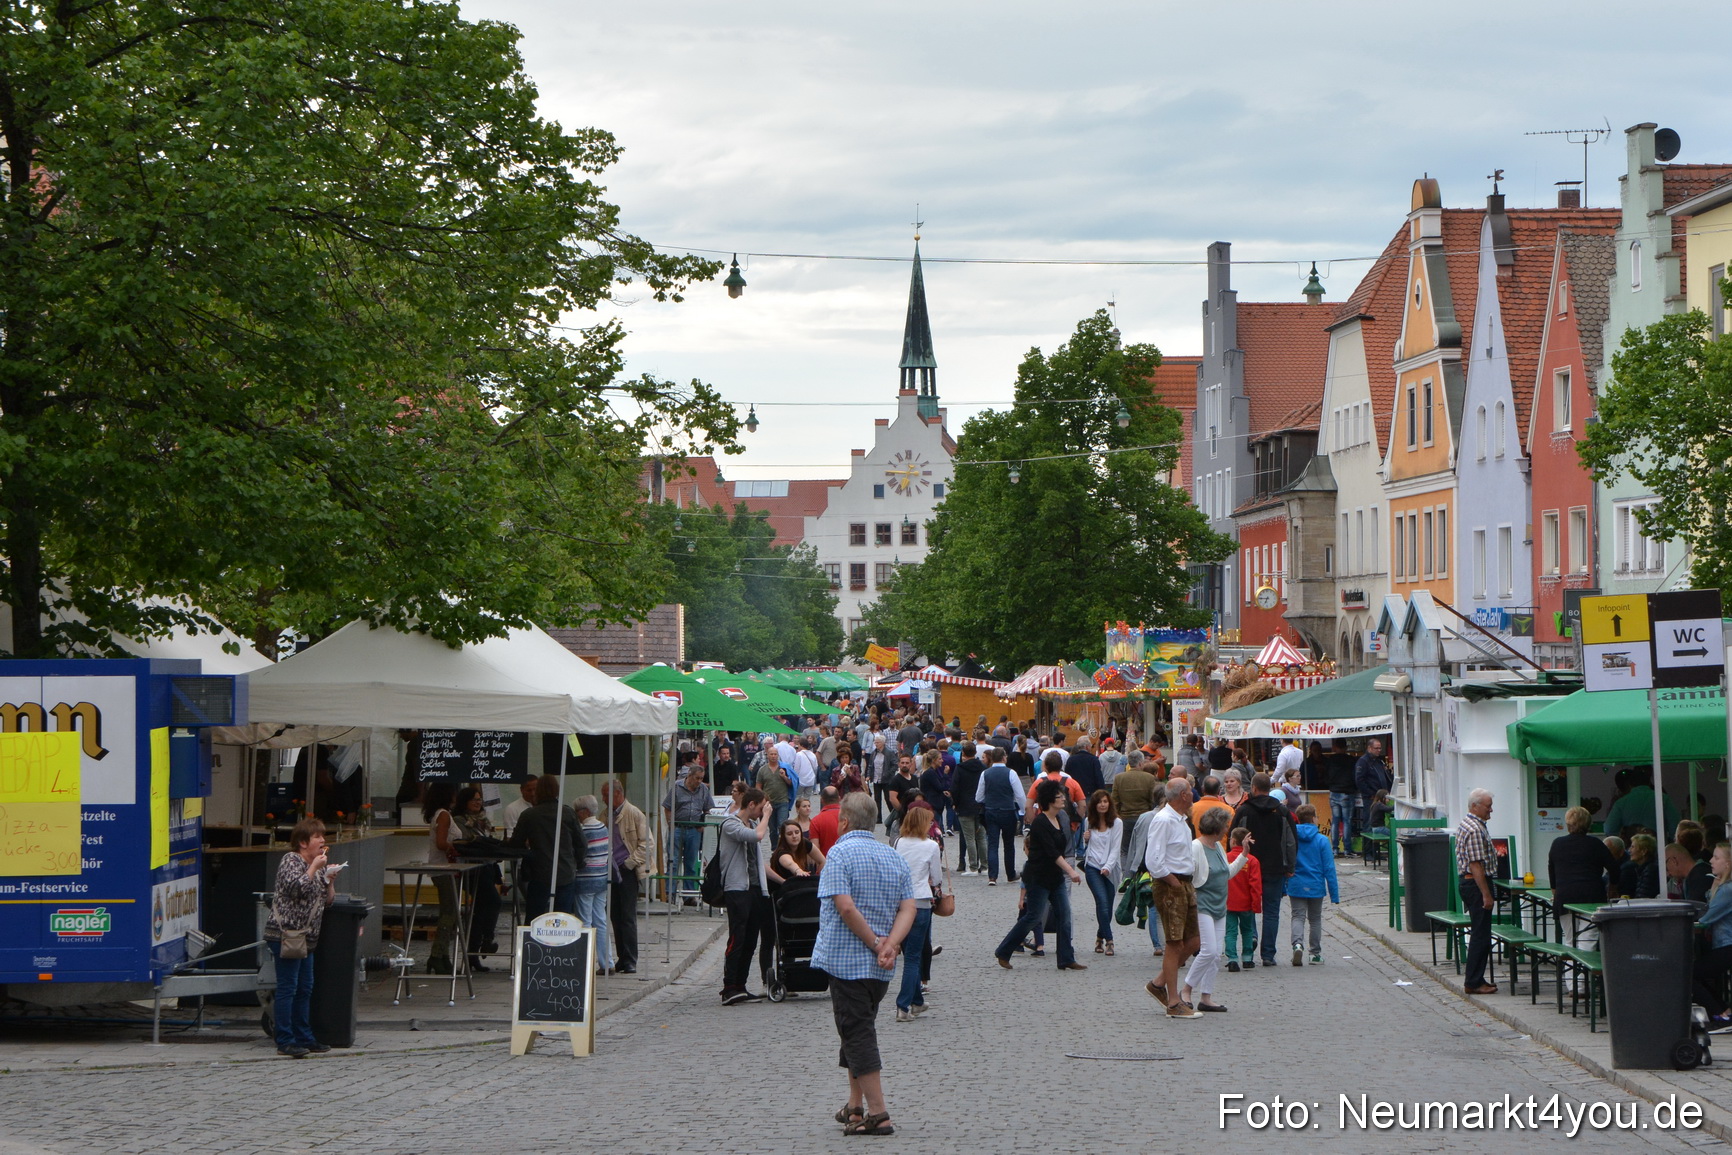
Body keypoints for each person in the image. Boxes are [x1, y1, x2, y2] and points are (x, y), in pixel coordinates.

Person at [813, 792, 916, 1137]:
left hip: (847, 961)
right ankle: (855, 1106)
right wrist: (891, 944)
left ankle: (878, 1114)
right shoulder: (893, 856)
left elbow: (845, 908)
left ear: (843, 821)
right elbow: (909, 908)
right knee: (854, 1030)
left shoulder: (838, 854)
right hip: (880, 968)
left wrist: (874, 943)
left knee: (857, 1034)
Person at [993, 778, 1085, 971]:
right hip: (1038, 877)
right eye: (1059, 797)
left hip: (1055, 877)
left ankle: (1066, 958)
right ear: (1050, 800)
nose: (1063, 800)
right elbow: (1052, 853)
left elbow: (1064, 848)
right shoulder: (1040, 823)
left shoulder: (1060, 819)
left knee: (1065, 915)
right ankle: (1004, 950)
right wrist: (1071, 871)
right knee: (1033, 917)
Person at [265, 818, 337, 1057]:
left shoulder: (315, 866)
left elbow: (326, 901)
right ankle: (285, 1039)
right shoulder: (291, 861)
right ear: (304, 842)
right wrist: (314, 868)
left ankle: (305, 1036)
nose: (323, 841)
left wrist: (329, 882)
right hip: (286, 935)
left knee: (305, 987)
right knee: (289, 987)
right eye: (318, 837)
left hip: (307, 938)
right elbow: (296, 889)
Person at [1183, 806, 1251, 1012]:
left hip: (1220, 905)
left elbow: (1227, 873)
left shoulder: (1218, 847)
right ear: (1217, 827)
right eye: (1225, 826)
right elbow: (1189, 875)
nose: (1227, 830)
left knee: (1215, 954)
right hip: (1202, 904)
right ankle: (1185, 990)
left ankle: (1206, 996)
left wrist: (1244, 854)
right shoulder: (1196, 847)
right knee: (1208, 950)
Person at [1143, 778, 1201, 1018]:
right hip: (1171, 884)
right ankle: (1174, 1002)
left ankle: (1158, 984)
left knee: (1194, 941)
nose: (1192, 793)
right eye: (1189, 790)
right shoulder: (1163, 820)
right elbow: (1153, 860)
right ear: (1183, 796)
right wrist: (1173, 882)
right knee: (1174, 943)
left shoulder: (1182, 820)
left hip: (1185, 883)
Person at [716, 787, 775, 1005]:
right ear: (751, 805)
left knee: (750, 940)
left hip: (753, 889)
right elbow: (757, 837)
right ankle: (729, 986)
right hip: (736, 889)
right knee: (737, 938)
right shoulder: (730, 824)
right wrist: (767, 816)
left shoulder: (750, 823)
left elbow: (758, 857)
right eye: (760, 808)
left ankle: (740, 985)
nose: (761, 813)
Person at [1232, 772, 1296, 968]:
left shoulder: (1244, 811)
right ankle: (1268, 954)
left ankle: (1251, 937)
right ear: (1269, 788)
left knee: (1248, 906)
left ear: (1253, 788)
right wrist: (1290, 866)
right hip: (1275, 867)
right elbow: (1291, 841)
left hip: (1246, 866)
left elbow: (1233, 838)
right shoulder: (1282, 811)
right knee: (1271, 911)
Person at [892, 807, 944, 1022]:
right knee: (913, 958)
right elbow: (936, 876)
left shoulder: (898, 843)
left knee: (908, 954)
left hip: (900, 903)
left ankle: (917, 1002)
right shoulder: (931, 845)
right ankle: (903, 1005)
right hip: (921, 902)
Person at [509, 776, 579, 918]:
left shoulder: (529, 815)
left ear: (538, 791)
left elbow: (515, 843)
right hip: (565, 871)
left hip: (539, 872)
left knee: (535, 918)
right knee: (562, 919)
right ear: (557, 790)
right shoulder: (568, 813)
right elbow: (581, 843)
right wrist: (576, 863)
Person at [451, 785, 504, 972]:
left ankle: (473, 953)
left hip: (488, 868)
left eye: (479, 799)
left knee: (479, 912)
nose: (477, 802)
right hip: (473, 870)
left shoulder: (483, 821)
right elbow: (466, 843)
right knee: (493, 902)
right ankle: (486, 939)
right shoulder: (459, 820)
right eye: (474, 799)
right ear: (465, 801)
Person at [601, 780, 652, 976]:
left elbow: (647, 845)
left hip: (627, 869)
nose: (604, 799)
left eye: (606, 795)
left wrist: (629, 863)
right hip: (611, 869)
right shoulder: (606, 814)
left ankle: (630, 959)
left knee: (628, 916)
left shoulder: (634, 813)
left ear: (618, 794)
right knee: (614, 914)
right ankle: (622, 958)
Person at [1456, 788, 1498, 995]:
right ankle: (1473, 981)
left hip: (1471, 883)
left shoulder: (1472, 824)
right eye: (1488, 806)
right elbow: (1476, 865)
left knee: (1481, 932)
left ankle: (1477, 978)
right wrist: (1486, 894)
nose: (1491, 810)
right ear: (1475, 806)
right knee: (1480, 934)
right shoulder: (1474, 829)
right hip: (1475, 884)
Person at [1287, 803, 1339, 965]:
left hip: (1296, 883)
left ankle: (1297, 944)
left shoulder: (1293, 838)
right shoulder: (1322, 840)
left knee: (1297, 916)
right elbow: (1329, 868)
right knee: (1315, 919)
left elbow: (1287, 861)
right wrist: (1334, 894)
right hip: (1316, 884)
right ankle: (1315, 953)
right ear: (1314, 818)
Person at [570, 796, 614, 972]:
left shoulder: (584, 830)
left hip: (585, 880)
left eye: (578, 811)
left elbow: (578, 854)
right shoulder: (603, 827)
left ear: (584, 812)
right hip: (601, 879)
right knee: (601, 921)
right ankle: (607, 963)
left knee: (585, 922)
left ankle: (585, 964)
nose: (576, 815)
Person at [1691, 843, 1732, 1031]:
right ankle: (1723, 1012)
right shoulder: (1723, 888)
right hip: (1723, 945)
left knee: (1688, 975)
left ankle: (1720, 1014)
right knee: (1698, 974)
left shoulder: (1727, 890)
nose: (1711, 861)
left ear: (1728, 864)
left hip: (1727, 945)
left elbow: (1707, 918)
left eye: (1716, 857)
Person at [662, 762, 714, 906]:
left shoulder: (703, 789)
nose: (699, 781)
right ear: (689, 776)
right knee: (673, 861)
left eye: (701, 778)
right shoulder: (678, 787)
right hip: (678, 828)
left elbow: (708, 809)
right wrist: (671, 825)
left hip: (694, 829)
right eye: (697, 778)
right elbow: (667, 807)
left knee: (690, 863)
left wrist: (703, 824)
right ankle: (669, 893)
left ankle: (689, 895)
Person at [1082, 790, 1123, 956]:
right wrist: (1086, 839)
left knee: (1107, 906)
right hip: (1092, 867)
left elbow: (1115, 848)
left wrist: (1108, 866)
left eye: (1105, 801)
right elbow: (1087, 848)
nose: (1103, 804)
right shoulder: (1088, 822)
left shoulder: (1117, 823)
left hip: (1110, 870)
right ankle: (1109, 941)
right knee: (1101, 902)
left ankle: (1099, 937)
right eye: (1099, 802)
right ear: (1094, 804)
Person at [976, 746, 1024, 884]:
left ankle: (992, 876)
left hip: (991, 810)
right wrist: (1023, 811)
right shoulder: (1011, 773)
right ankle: (1010, 874)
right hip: (1007, 810)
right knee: (1009, 844)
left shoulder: (985, 773)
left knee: (992, 843)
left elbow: (979, 797)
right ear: (1004, 758)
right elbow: (1020, 795)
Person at [1602, 767, 1680, 842]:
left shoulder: (1621, 802)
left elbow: (1609, 828)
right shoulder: (1663, 799)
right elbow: (1675, 826)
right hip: (1658, 849)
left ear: (1630, 784)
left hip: (1633, 849)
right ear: (1649, 783)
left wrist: (1621, 842)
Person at [1111, 750, 1162, 857]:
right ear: (1140, 763)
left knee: (1125, 849)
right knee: (1143, 848)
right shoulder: (1149, 778)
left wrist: (1118, 815)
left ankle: (1126, 872)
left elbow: (1115, 800)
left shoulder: (1119, 778)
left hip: (1125, 818)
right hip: (1144, 818)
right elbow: (1153, 800)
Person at [1225, 827, 1262, 972]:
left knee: (1230, 931)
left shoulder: (1226, 857)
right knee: (1247, 930)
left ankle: (1232, 958)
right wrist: (1256, 904)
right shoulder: (1252, 861)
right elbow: (1255, 885)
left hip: (1229, 903)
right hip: (1246, 903)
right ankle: (1247, 958)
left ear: (1233, 841)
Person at [952, 741, 987, 875]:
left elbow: (955, 788)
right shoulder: (982, 767)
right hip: (980, 806)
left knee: (969, 837)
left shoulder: (960, 768)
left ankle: (973, 866)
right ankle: (985, 866)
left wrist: (955, 802)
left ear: (964, 753)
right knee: (981, 837)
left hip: (964, 806)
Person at [771, 820, 826, 893]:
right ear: (783, 837)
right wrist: (798, 870)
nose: (794, 836)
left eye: (797, 832)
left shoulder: (804, 843)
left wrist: (818, 879)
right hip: (783, 891)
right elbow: (789, 863)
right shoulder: (781, 852)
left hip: (802, 888)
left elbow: (822, 861)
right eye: (789, 834)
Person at [1326, 738, 1358, 854]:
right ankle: (1347, 849)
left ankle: (1334, 848)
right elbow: (1355, 776)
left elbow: (1326, 775)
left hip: (1333, 792)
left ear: (1335, 747)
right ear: (1345, 747)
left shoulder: (1330, 760)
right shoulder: (1351, 760)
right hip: (1347, 792)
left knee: (1335, 821)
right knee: (1347, 821)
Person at [1355, 740, 1391, 841]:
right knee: (1369, 824)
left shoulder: (1379, 761)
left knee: (1378, 823)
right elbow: (1359, 780)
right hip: (1371, 798)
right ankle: (1369, 853)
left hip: (1381, 797)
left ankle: (1374, 851)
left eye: (1380, 748)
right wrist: (1370, 794)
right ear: (1369, 748)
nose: (1379, 750)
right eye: (1376, 748)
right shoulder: (1363, 761)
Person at [919, 749, 956, 835]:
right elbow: (940, 787)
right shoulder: (930, 773)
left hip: (934, 804)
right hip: (932, 804)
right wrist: (945, 775)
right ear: (933, 760)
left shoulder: (932, 772)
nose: (942, 761)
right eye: (939, 759)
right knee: (935, 831)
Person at [1621, 833, 1660, 899]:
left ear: (1644, 851)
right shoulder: (1643, 868)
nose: (1629, 850)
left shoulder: (1650, 870)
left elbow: (1643, 897)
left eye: (1632, 847)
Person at [810, 786, 844, 855]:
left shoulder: (815, 821)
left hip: (826, 862)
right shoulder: (849, 817)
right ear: (839, 799)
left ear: (821, 800)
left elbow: (815, 851)